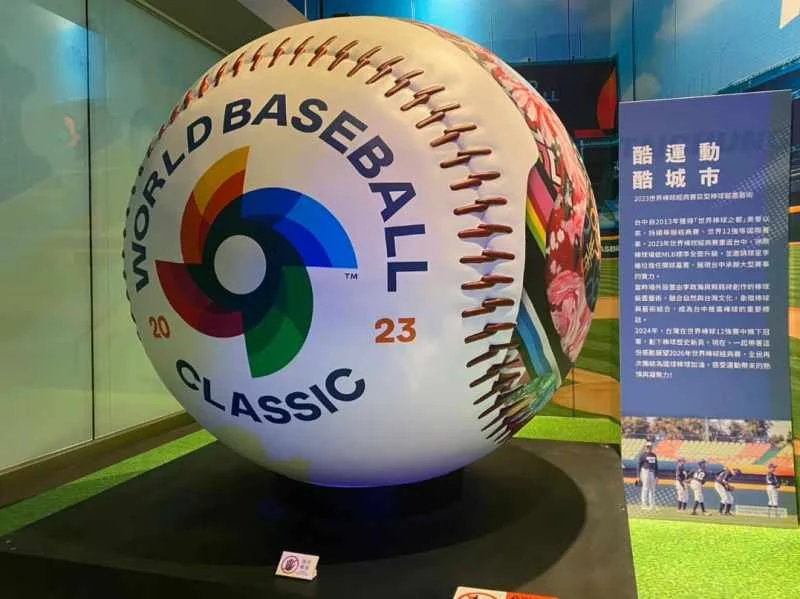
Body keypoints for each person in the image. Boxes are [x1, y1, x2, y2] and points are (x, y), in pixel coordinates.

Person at [637, 441, 658, 510]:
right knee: (645, 488)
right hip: (645, 471)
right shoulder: (643, 455)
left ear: (652, 447)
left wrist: (657, 476)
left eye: (650, 447)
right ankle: (644, 505)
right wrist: (638, 476)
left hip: (652, 472)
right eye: (647, 446)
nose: (649, 448)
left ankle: (652, 505)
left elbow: (656, 466)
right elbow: (639, 466)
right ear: (645, 447)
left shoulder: (654, 455)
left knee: (652, 488)